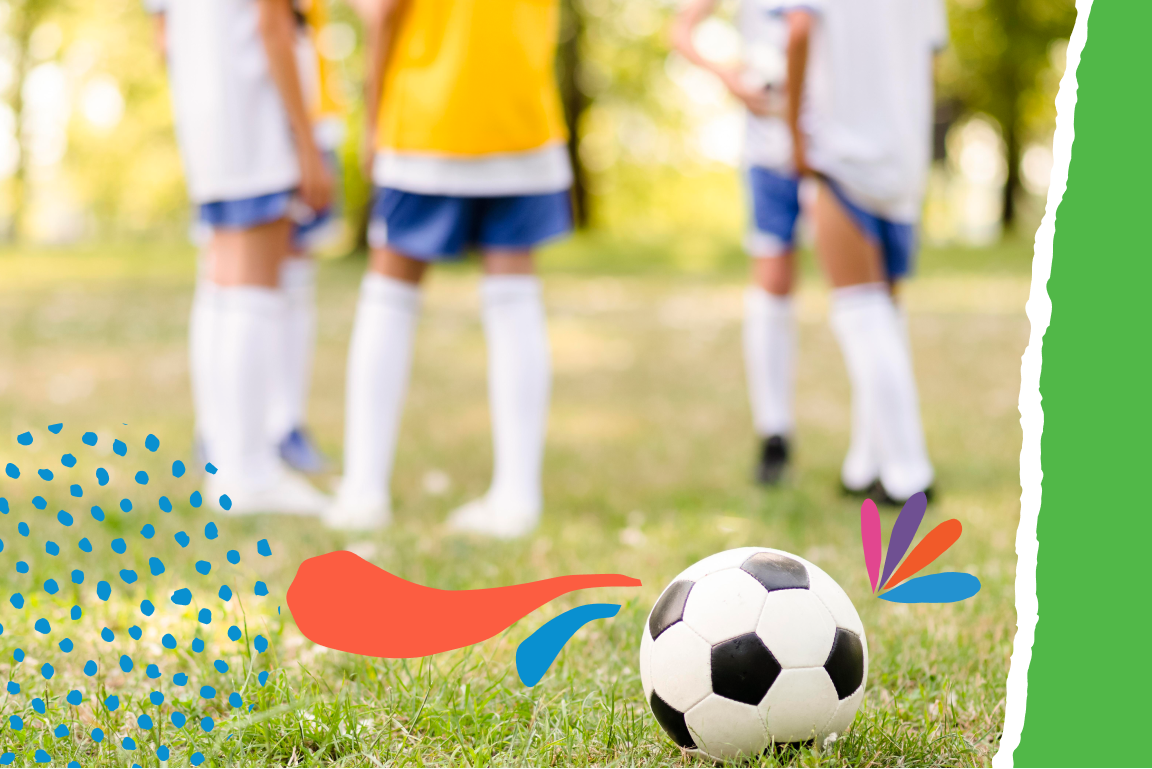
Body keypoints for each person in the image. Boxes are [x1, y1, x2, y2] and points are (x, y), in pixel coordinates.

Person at [326, 0, 572, 536]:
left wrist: (373, 118)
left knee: (390, 292)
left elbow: (382, 9)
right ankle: (517, 495)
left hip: (427, 115)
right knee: (514, 295)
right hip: (521, 111)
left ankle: (364, 491)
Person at [158, 0, 334, 514]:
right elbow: (274, 24)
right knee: (254, 287)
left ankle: (227, 462)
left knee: (223, 284)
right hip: (252, 108)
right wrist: (306, 141)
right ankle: (249, 471)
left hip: (208, 113)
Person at [778, 0, 946, 502]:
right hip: (904, 157)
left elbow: (798, 31)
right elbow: (929, 55)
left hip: (843, 152)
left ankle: (909, 472)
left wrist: (794, 136)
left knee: (861, 315)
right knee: (885, 316)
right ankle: (864, 465)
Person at [672, 0, 799, 486]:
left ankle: (873, 452)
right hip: (769, 149)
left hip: (835, 150)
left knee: (859, 294)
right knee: (772, 285)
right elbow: (681, 29)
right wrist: (728, 76)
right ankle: (774, 433)